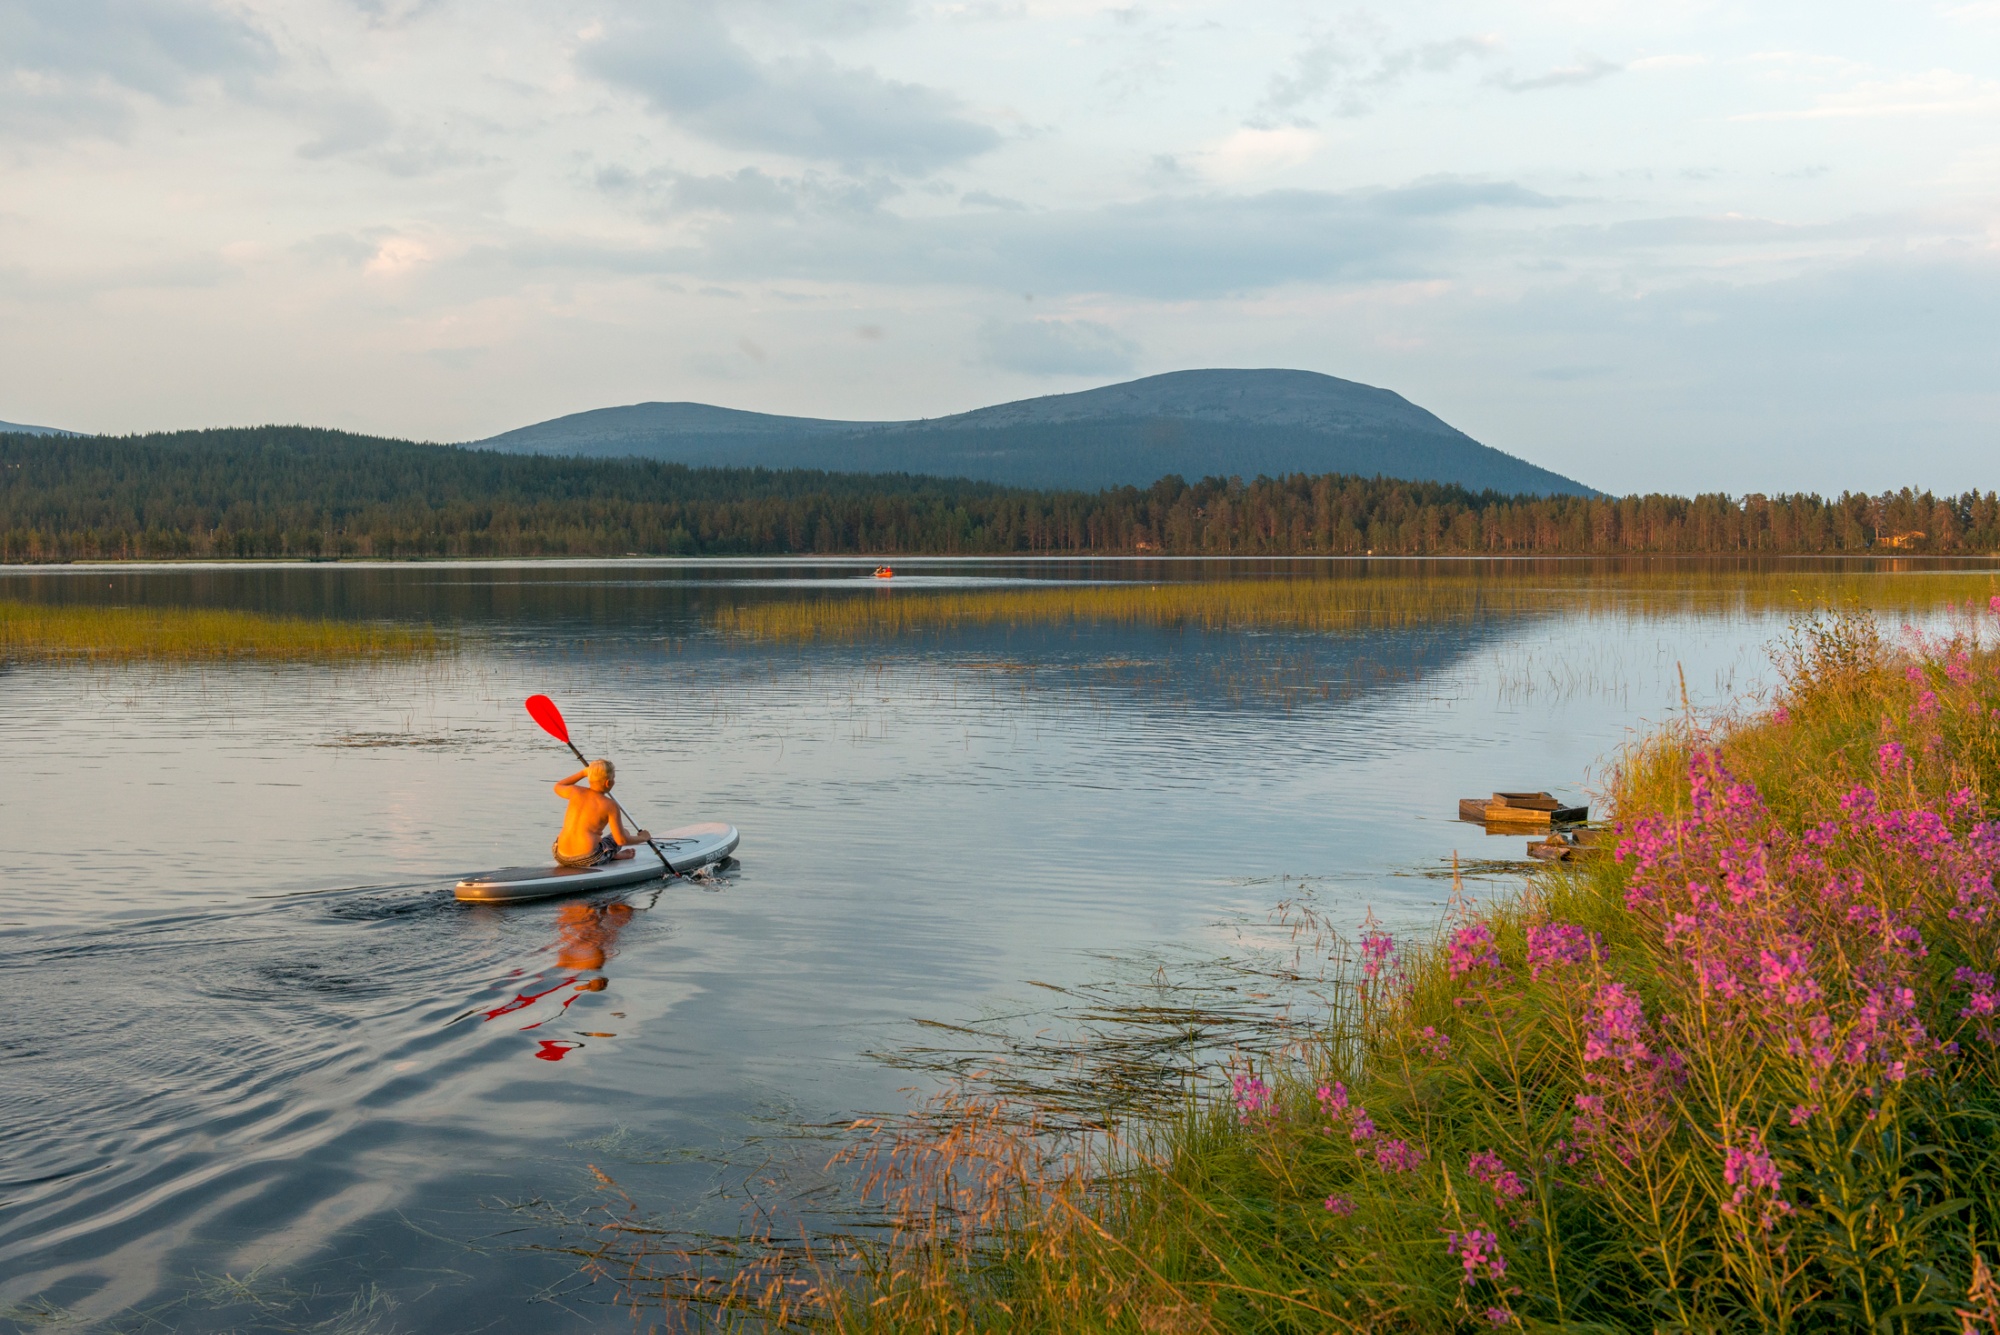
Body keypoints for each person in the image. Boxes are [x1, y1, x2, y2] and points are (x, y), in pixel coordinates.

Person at [551, 759, 650, 868]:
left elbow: (558, 786)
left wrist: (583, 773)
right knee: (624, 832)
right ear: (608, 782)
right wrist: (643, 838)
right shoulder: (610, 805)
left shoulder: (575, 791)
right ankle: (612, 854)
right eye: (614, 778)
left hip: (560, 855)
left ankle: (611, 853)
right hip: (588, 859)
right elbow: (621, 840)